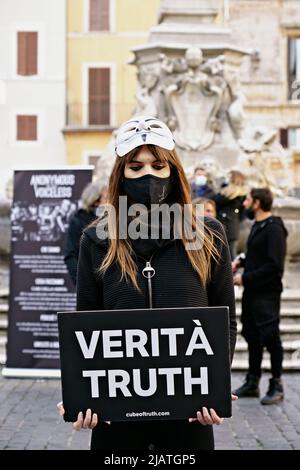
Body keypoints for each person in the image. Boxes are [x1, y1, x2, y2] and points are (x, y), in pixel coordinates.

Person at [58, 115, 237, 450]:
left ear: (173, 170)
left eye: (158, 164)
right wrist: (80, 392)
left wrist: (214, 382)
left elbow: (224, 319)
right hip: (117, 422)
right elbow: (85, 327)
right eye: (135, 168)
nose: (149, 176)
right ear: (121, 175)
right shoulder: (96, 239)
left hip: (189, 417)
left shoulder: (209, 234)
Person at [232, 187, 287, 405]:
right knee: (253, 335)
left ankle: (277, 384)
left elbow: (274, 266)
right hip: (252, 293)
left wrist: (245, 278)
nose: (244, 203)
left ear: (257, 202)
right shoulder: (258, 225)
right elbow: (256, 253)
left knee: (270, 337)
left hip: (266, 294)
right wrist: (241, 262)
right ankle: (252, 381)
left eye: (247, 199)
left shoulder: (274, 228)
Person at [63, 182, 108, 285]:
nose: (112, 201)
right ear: (95, 201)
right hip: (90, 284)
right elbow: (70, 254)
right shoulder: (79, 220)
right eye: (107, 197)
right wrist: (82, 282)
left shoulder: (115, 218)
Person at [213, 170, 247, 260]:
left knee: (230, 253)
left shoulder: (234, 194)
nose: (226, 179)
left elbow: (217, 200)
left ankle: (232, 272)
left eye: (228, 177)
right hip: (229, 225)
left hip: (230, 226)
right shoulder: (228, 191)